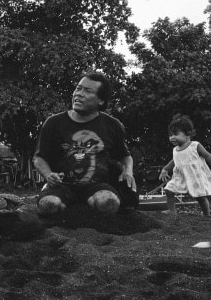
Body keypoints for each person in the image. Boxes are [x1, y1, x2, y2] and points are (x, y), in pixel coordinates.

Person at [33, 72, 137, 215]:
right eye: (78, 88)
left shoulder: (113, 125)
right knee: (48, 205)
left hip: (98, 186)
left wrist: (128, 171)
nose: (78, 94)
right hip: (61, 186)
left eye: (87, 91)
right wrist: (48, 174)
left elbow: (125, 156)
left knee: (108, 202)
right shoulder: (53, 123)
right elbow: (39, 158)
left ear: (100, 100)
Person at [158, 114, 211, 216]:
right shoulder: (175, 150)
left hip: (195, 176)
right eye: (170, 135)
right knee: (169, 190)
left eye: (175, 134)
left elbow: (207, 156)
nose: (172, 137)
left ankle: (207, 214)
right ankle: (172, 212)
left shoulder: (195, 145)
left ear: (187, 134)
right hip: (180, 177)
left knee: (200, 197)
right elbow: (174, 161)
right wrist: (165, 169)